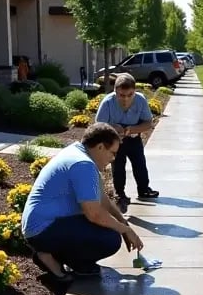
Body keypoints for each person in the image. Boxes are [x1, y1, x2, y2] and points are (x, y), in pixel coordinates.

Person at [21, 122, 145, 282]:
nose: (113, 159)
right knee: (110, 239)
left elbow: (102, 200)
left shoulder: (78, 154)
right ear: (100, 147)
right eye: (112, 153)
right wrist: (123, 230)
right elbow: (94, 214)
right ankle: (50, 256)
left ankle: (65, 258)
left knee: (111, 229)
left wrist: (125, 226)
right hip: (43, 230)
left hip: (43, 226)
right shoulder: (83, 164)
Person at [95, 73, 159, 213]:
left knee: (140, 164)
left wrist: (133, 129)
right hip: (114, 140)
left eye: (130, 95)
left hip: (134, 137)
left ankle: (143, 190)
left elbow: (148, 123)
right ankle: (120, 194)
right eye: (121, 95)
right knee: (118, 167)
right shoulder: (107, 103)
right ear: (115, 92)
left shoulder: (140, 100)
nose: (125, 99)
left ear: (134, 91)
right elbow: (98, 125)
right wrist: (113, 128)